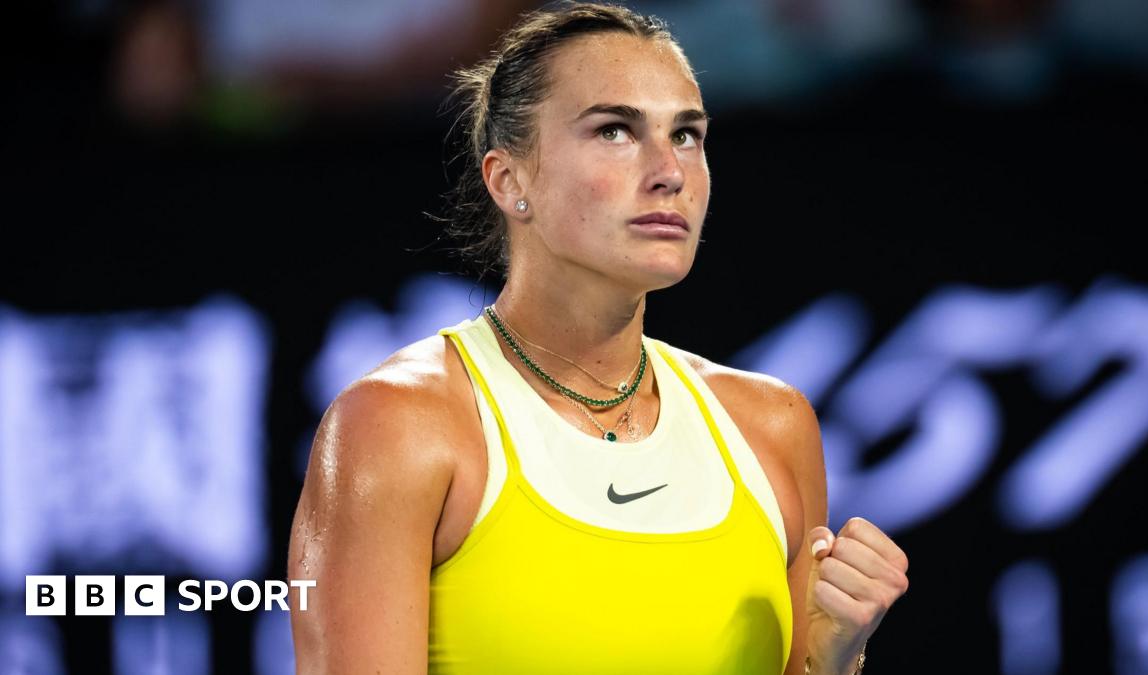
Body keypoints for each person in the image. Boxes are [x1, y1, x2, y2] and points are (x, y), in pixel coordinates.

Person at [287, 2, 909, 674]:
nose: (669, 170)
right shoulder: (396, 425)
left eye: (688, 136)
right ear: (509, 179)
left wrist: (835, 654)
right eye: (615, 130)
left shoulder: (773, 427)